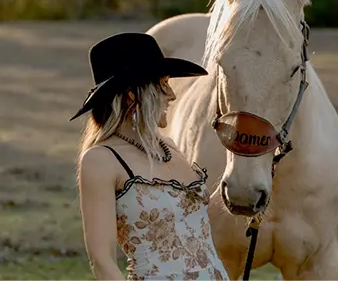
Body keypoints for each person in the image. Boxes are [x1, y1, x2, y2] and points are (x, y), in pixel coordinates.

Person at [69, 32, 230, 281]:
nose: (172, 95)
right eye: (163, 83)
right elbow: (101, 262)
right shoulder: (101, 160)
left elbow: (191, 223)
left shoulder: (170, 147)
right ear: (133, 94)